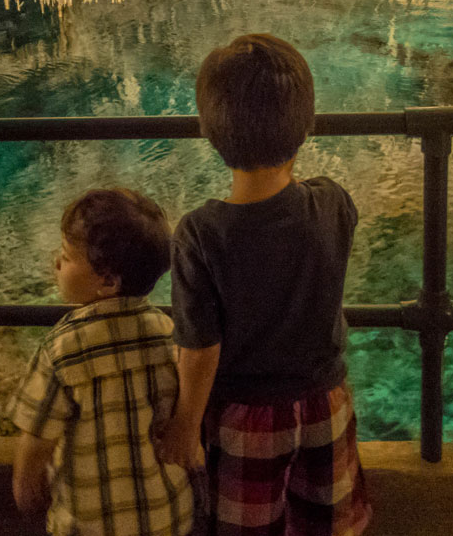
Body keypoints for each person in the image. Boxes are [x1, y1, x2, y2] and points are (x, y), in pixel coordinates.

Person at [158, 34, 370, 536]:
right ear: (306, 125)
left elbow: (201, 347)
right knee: (331, 525)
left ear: (210, 133)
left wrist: (184, 429)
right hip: (326, 402)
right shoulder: (334, 203)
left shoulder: (200, 233)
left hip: (245, 420)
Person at [10, 188, 194, 536]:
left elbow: (38, 435)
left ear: (107, 281)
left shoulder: (63, 348)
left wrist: (25, 480)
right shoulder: (169, 333)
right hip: (168, 516)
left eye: (66, 256)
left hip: (90, 523)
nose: (56, 264)